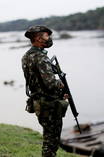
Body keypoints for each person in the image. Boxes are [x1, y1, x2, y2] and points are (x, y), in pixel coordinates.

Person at [21, 25, 68, 157]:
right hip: (48, 104)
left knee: (48, 137)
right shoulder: (40, 57)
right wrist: (61, 85)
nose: (49, 38)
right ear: (38, 38)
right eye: (47, 35)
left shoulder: (26, 56)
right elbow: (50, 83)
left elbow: (36, 82)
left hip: (39, 103)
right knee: (51, 141)